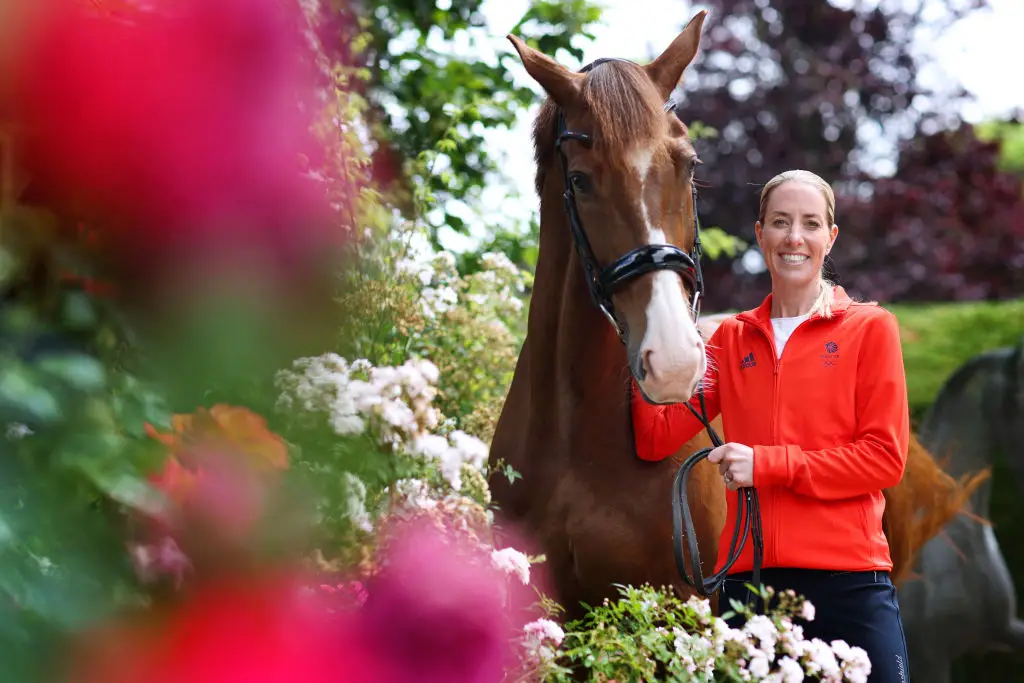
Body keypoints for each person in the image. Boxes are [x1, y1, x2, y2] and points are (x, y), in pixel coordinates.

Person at [631, 169, 911, 682]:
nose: (794, 238)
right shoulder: (730, 340)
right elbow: (655, 438)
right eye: (780, 222)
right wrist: (649, 339)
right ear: (760, 234)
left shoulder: (870, 329)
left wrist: (767, 465)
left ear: (831, 236)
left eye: (809, 223)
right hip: (748, 588)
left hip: (849, 585)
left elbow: (883, 458)